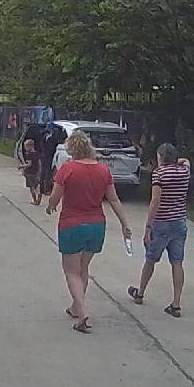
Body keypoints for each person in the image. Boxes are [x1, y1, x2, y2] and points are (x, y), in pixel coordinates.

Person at [45, 131, 133, 333]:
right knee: (83, 268)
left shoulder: (67, 169)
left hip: (72, 225)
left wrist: (50, 206)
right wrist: (124, 224)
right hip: (96, 226)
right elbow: (114, 199)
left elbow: (55, 196)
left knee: (71, 271)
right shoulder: (103, 170)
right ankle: (76, 307)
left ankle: (82, 313)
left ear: (72, 148)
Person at [128, 143, 191, 318]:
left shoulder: (159, 173)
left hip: (161, 222)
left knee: (150, 259)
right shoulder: (184, 172)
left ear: (161, 157)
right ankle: (176, 303)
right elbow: (186, 161)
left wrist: (148, 225)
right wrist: (177, 161)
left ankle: (140, 293)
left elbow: (155, 200)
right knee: (177, 262)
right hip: (179, 221)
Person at [19, 138, 43, 205]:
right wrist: (39, 171)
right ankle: (39, 196)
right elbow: (39, 163)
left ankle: (34, 200)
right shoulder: (37, 153)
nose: (25, 148)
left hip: (29, 173)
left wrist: (21, 166)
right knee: (36, 186)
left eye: (26, 147)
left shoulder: (28, 154)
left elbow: (29, 164)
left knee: (31, 187)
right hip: (36, 172)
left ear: (30, 146)